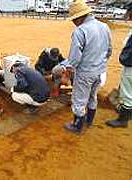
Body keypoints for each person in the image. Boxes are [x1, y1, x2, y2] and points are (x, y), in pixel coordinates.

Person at [64, 0, 112, 133]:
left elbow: (74, 57)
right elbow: (109, 51)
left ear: (80, 17)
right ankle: (89, 121)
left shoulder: (80, 31)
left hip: (85, 72)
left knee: (79, 99)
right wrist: (100, 63)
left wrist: (67, 74)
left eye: (74, 19)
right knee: (92, 96)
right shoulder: (105, 27)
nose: (73, 22)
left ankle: (77, 126)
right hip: (100, 71)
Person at [106, 1, 132, 128]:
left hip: (130, 66)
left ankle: (123, 119)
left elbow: (128, 53)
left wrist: (124, 58)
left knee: (127, 93)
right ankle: (127, 113)